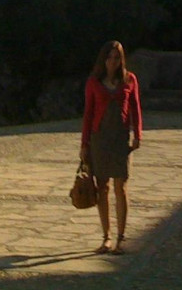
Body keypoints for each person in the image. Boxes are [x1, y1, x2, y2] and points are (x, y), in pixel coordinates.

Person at [80, 40, 142, 254]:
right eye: (110, 57)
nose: (113, 62)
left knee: (121, 188)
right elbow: (88, 114)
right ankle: (106, 236)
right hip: (100, 138)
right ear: (103, 59)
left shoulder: (129, 79)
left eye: (117, 58)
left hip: (121, 138)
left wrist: (138, 134)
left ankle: (121, 238)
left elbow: (135, 108)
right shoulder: (94, 82)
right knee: (102, 188)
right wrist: (84, 144)